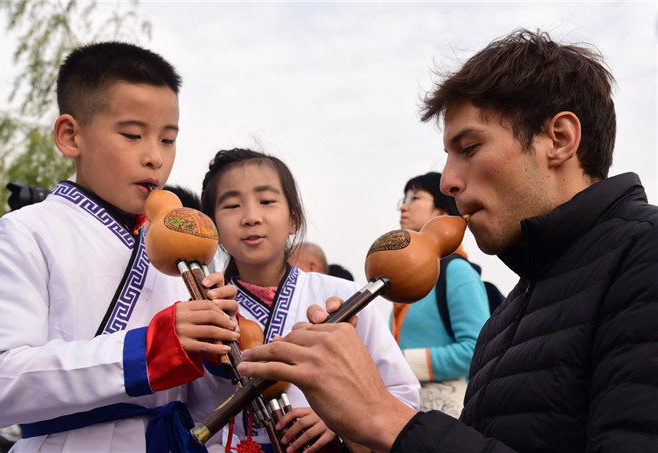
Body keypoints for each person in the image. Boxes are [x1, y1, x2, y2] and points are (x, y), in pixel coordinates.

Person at [236, 29, 658, 452]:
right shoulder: (507, 317)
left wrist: (386, 416)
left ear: (559, 139)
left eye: (470, 148)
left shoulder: (644, 256)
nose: (448, 181)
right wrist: (349, 425)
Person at [0, 42, 239, 453]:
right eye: (132, 135)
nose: (155, 159)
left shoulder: (180, 253)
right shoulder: (25, 231)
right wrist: (146, 351)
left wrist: (216, 361)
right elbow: (4, 382)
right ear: (71, 135)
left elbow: (201, 410)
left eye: (168, 140)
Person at [200, 148, 420, 452]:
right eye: (233, 205)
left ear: (293, 220)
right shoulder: (205, 309)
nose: (251, 217)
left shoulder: (345, 298)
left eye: (266, 201)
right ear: (214, 227)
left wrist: (341, 420)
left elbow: (403, 393)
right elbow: (194, 410)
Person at [393, 171, 489, 416]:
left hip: (446, 417)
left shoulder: (456, 271)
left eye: (415, 198)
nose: (403, 206)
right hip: (411, 414)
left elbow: (476, 350)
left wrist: (400, 362)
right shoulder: (408, 277)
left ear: (443, 213)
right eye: (404, 198)